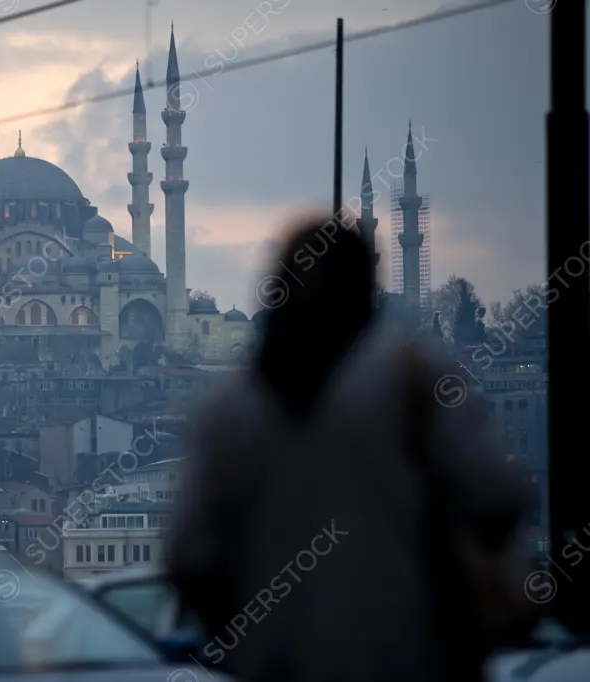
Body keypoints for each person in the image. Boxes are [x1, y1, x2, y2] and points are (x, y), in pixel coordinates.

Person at [168, 217, 533, 682]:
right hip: (412, 657)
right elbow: (496, 496)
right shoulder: (412, 380)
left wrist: (246, 631)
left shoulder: (228, 408)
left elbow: (190, 554)